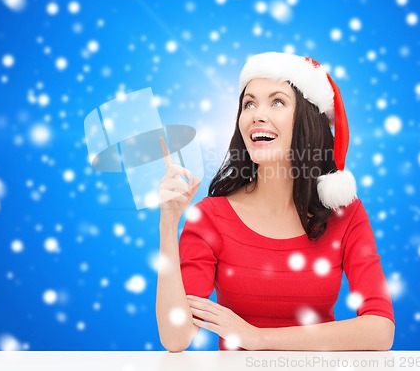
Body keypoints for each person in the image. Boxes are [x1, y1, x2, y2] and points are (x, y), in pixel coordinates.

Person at [156, 52, 395, 352]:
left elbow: (380, 330)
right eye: (249, 103)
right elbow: (175, 338)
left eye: (277, 101)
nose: (257, 113)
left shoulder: (346, 215)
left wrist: (258, 338)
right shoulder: (210, 217)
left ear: (307, 119)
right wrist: (168, 223)